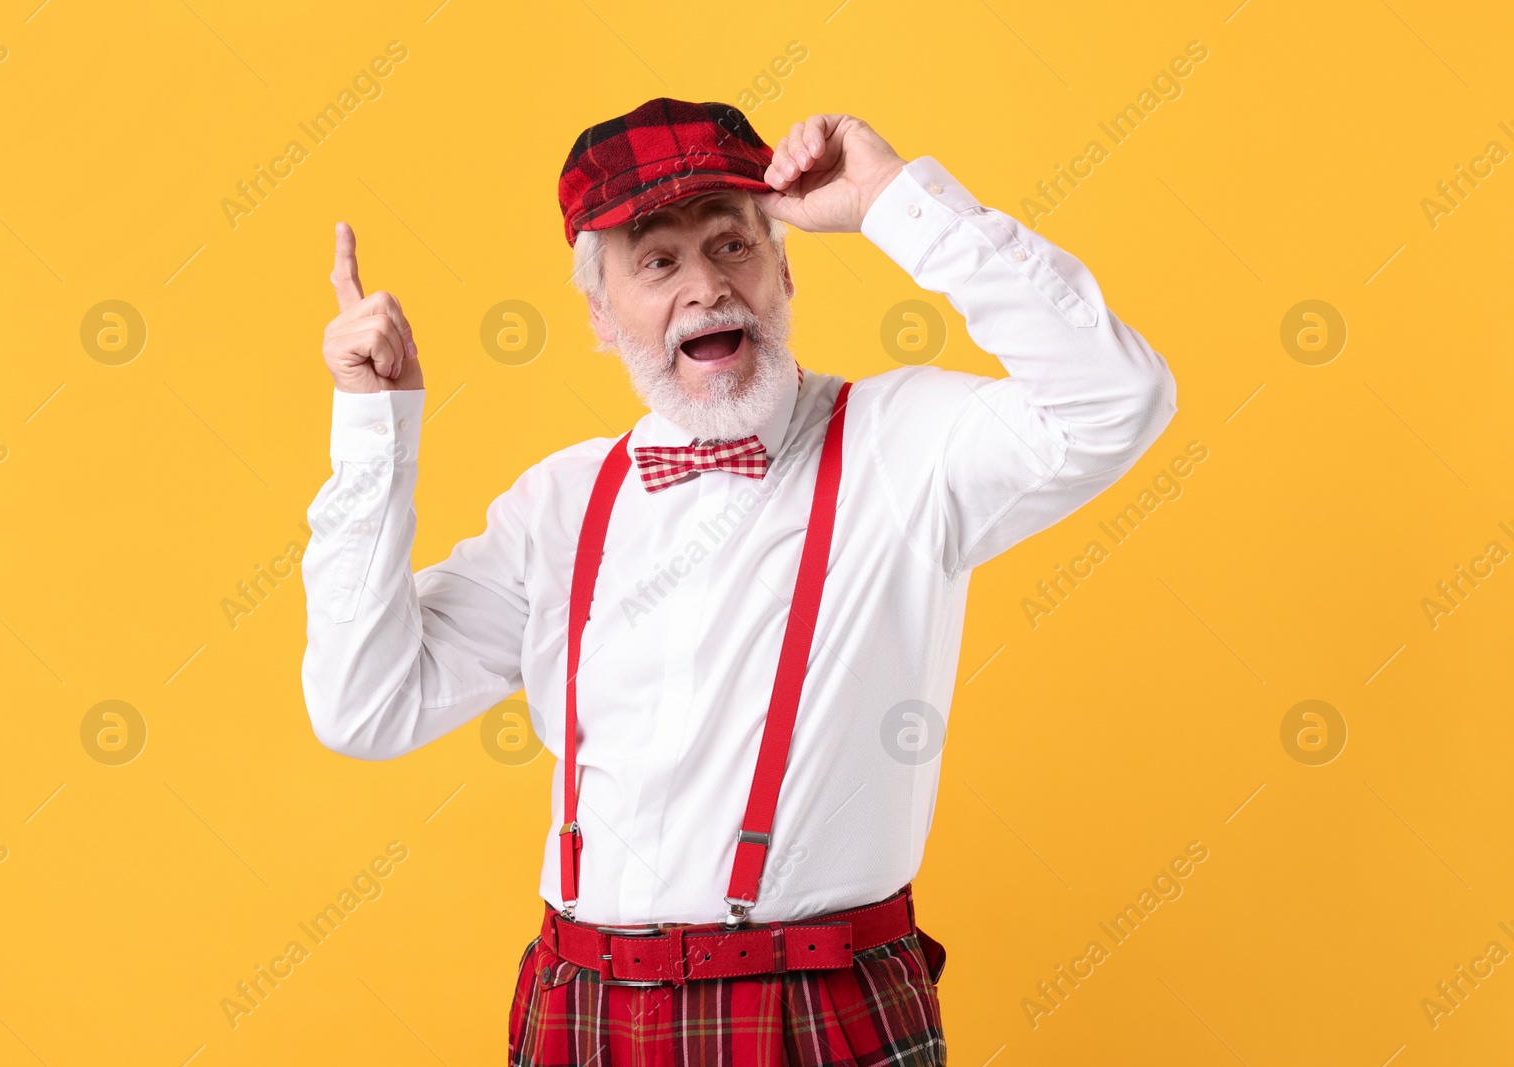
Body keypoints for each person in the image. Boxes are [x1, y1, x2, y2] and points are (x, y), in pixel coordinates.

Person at [302, 97, 1177, 1065]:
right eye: (658, 261)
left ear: (784, 268)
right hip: (580, 1010)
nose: (706, 288)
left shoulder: (903, 443)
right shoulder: (559, 505)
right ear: (600, 313)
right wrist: (373, 434)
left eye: (731, 245)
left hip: (813, 1014)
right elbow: (364, 707)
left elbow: (1118, 398)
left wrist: (892, 198)